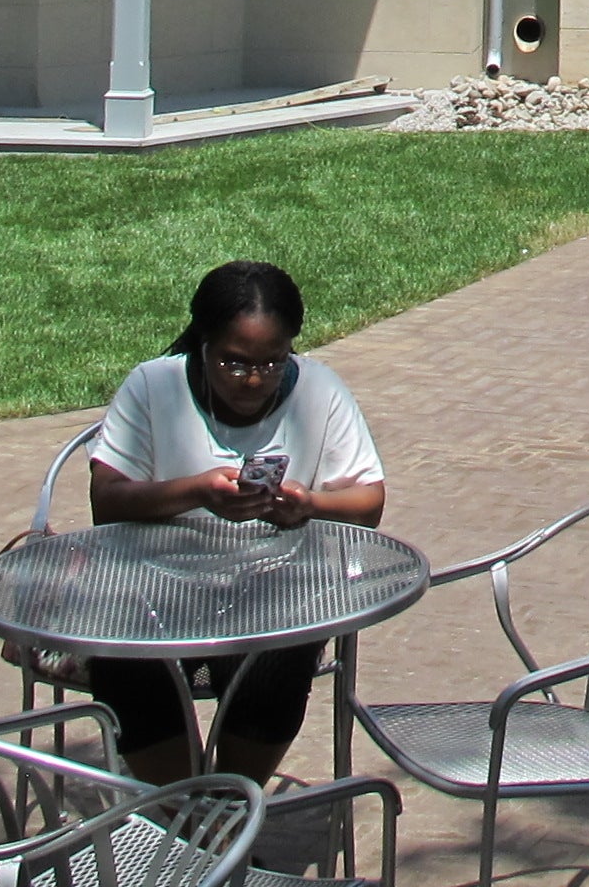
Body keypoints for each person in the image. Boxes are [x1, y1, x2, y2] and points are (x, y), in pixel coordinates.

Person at [84, 260, 388, 784]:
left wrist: (309, 505)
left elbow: (369, 502)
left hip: (270, 591)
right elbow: (106, 501)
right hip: (156, 590)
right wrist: (197, 491)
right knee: (122, 654)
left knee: (281, 652)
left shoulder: (319, 391)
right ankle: (181, 815)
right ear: (202, 343)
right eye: (234, 363)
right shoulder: (153, 386)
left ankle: (227, 807)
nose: (253, 380)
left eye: (272, 363)